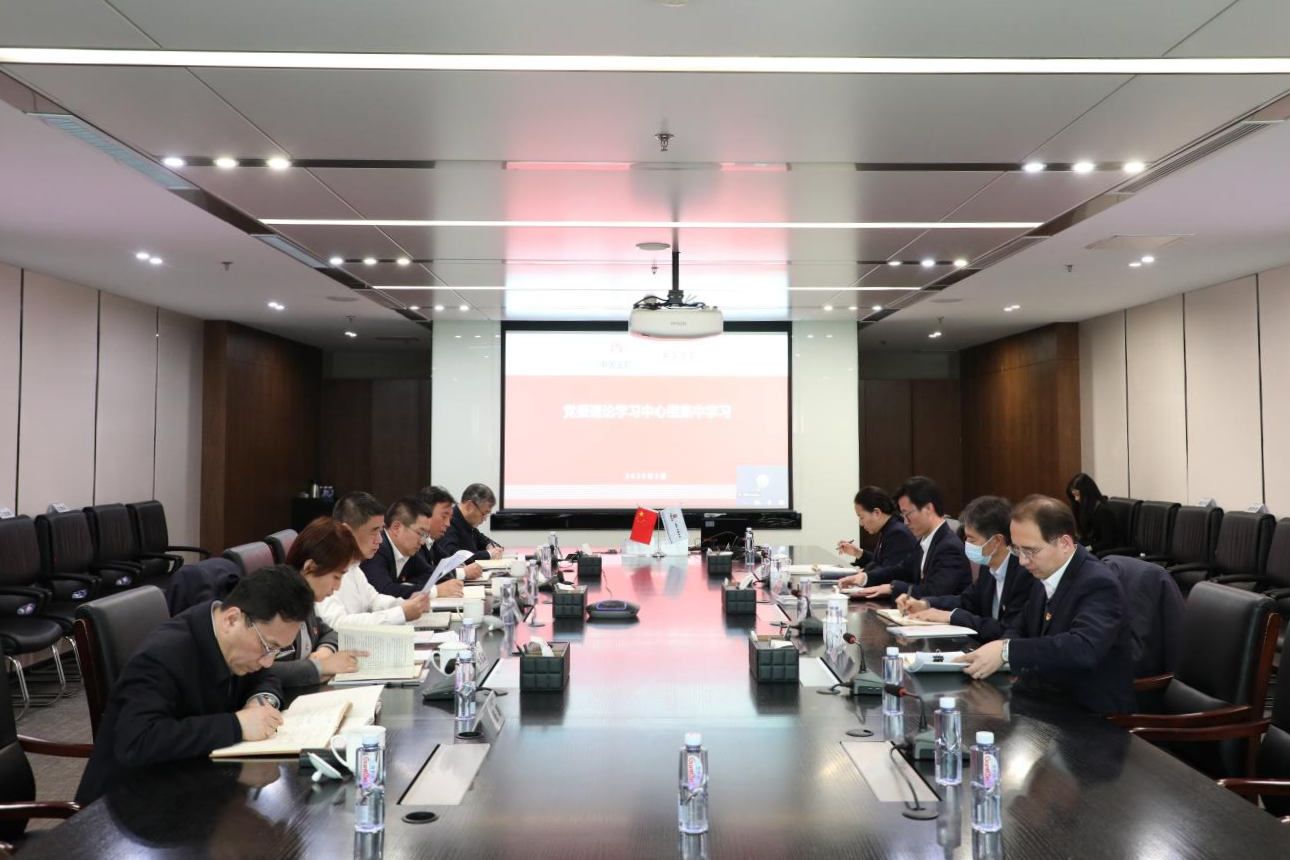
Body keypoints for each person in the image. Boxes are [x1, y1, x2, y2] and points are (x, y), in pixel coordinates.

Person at [75, 565, 316, 803]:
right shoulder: (162, 655)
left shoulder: (237, 643)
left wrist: (260, 701)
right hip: (124, 804)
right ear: (232, 620)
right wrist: (237, 725)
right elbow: (137, 741)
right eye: (268, 646)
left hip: (188, 781)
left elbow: (265, 677)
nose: (268, 661)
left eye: (277, 651)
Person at [955, 495, 1137, 715]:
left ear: (1064, 543)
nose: (1022, 561)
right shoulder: (1045, 573)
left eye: (1030, 551)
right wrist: (1002, 647)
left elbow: (1083, 648)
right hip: (1046, 701)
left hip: (1092, 714)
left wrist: (1006, 651)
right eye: (1017, 550)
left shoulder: (1097, 583)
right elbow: (1020, 626)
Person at [895, 495, 1034, 642]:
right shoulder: (988, 567)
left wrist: (951, 616)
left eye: (972, 538)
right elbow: (966, 600)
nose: (966, 543)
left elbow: (1005, 630)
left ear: (996, 541)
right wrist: (924, 604)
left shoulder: (1024, 573)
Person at [318, 492, 460, 630]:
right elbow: (337, 625)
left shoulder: (353, 565)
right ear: (346, 531)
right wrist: (401, 613)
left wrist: (407, 604)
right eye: (374, 531)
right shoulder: (323, 567)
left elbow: (374, 601)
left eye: (380, 531)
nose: (379, 540)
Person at [271, 517, 370, 686]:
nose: (337, 587)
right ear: (310, 567)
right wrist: (319, 667)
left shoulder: (304, 597)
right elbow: (259, 671)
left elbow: (329, 632)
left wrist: (325, 651)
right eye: (336, 577)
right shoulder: (275, 603)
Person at [852, 476, 971, 600]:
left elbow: (934, 592)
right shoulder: (924, 541)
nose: (905, 522)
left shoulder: (949, 547)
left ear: (928, 509)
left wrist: (892, 587)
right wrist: (865, 578)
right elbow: (901, 571)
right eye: (903, 515)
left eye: (907, 514)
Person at [837, 486, 919, 589]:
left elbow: (888, 573)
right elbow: (880, 562)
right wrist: (857, 553)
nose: (861, 523)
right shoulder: (889, 528)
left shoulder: (898, 533)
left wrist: (863, 574)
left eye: (862, 517)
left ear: (877, 513)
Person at [360, 496, 440, 598]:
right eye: (420, 533)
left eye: (425, 535)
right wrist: (433, 591)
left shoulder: (408, 551)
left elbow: (431, 574)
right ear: (396, 528)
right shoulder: (376, 549)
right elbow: (383, 591)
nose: (423, 542)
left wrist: (407, 584)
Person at [417, 485, 484, 581]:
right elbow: (422, 575)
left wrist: (459, 565)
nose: (448, 524)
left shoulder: (429, 541)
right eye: (444, 517)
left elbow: (448, 560)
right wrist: (463, 572)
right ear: (425, 514)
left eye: (449, 518)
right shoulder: (414, 542)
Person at [434, 482, 504, 562]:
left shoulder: (468, 523)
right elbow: (452, 555)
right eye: (483, 514)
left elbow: (483, 540)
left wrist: (490, 545)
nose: (484, 519)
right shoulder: (449, 522)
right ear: (469, 506)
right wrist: (488, 554)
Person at [1065, 472, 1119, 554]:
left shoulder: (1103, 511)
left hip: (1104, 551)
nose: (1076, 499)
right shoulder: (1085, 508)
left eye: (1078, 495)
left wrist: (1087, 548)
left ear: (1087, 493)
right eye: (1074, 495)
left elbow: (1107, 542)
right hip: (1092, 546)